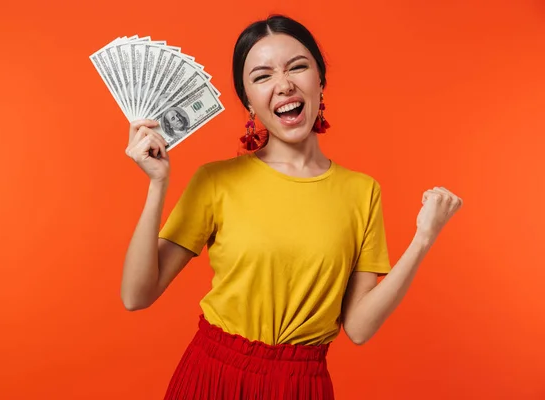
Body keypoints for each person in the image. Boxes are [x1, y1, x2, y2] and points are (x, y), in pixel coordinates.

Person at [121, 14, 463, 400]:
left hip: (302, 385)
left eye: (297, 67)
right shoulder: (215, 180)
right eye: (262, 76)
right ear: (248, 100)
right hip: (212, 376)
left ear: (320, 81)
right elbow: (136, 296)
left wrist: (423, 239)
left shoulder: (361, 191)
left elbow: (360, 328)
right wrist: (158, 183)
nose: (283, 85)